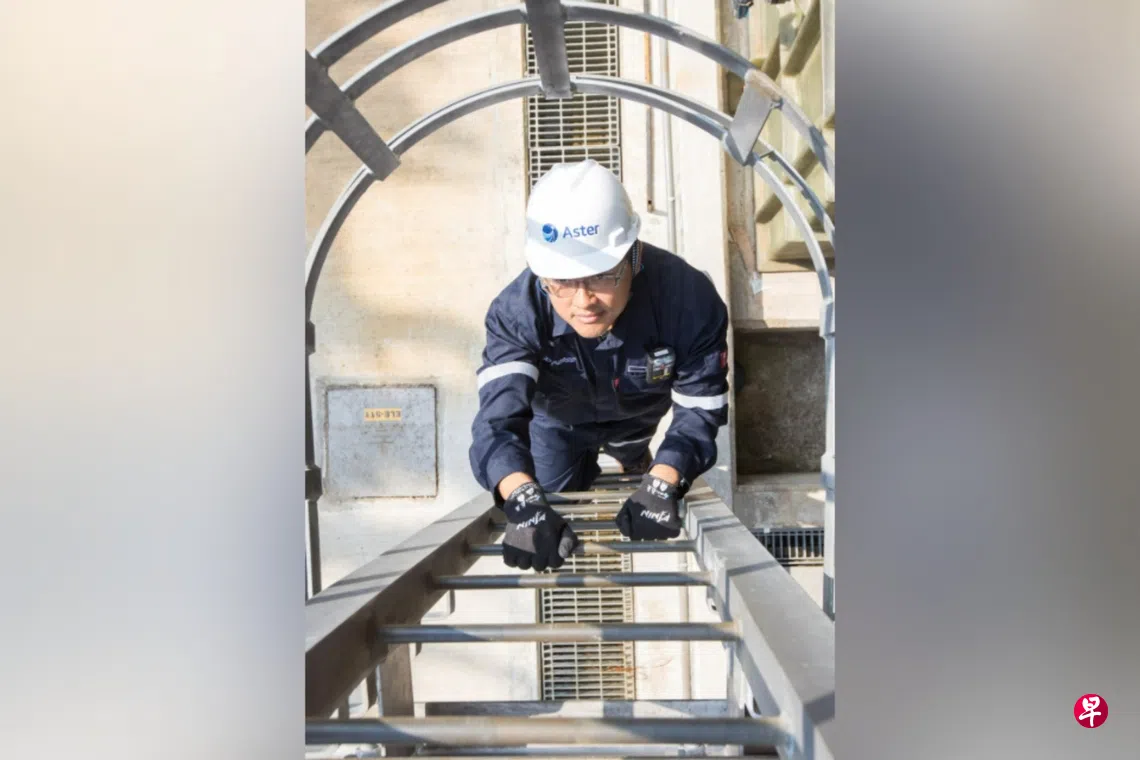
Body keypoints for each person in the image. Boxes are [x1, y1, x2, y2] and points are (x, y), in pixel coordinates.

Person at [468, 159, 730, 572]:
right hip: (557, 428)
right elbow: (496, 420)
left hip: (637, 417)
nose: (583, 301)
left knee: (636, 454)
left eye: (602, 276)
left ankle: (635, 458)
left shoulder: (689, 300)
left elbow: (700, 407)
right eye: (561, 281)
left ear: (633, 257)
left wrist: (666, 478)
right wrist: (520, 499)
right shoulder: (517, 312)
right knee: (554, 498)